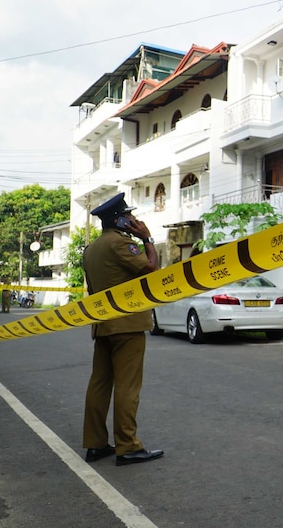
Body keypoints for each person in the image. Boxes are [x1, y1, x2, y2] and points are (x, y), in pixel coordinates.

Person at [82, 192, 164, 466]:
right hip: (127, 325)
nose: (134, 219)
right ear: (119, 220)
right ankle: (127, 446)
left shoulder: (91, 249)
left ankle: (95, 444)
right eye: (129, 216)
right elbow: (151, 270)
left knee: (99, 384)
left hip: (102, 324)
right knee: (128, 386)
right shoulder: (121, 244)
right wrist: (147, 239)